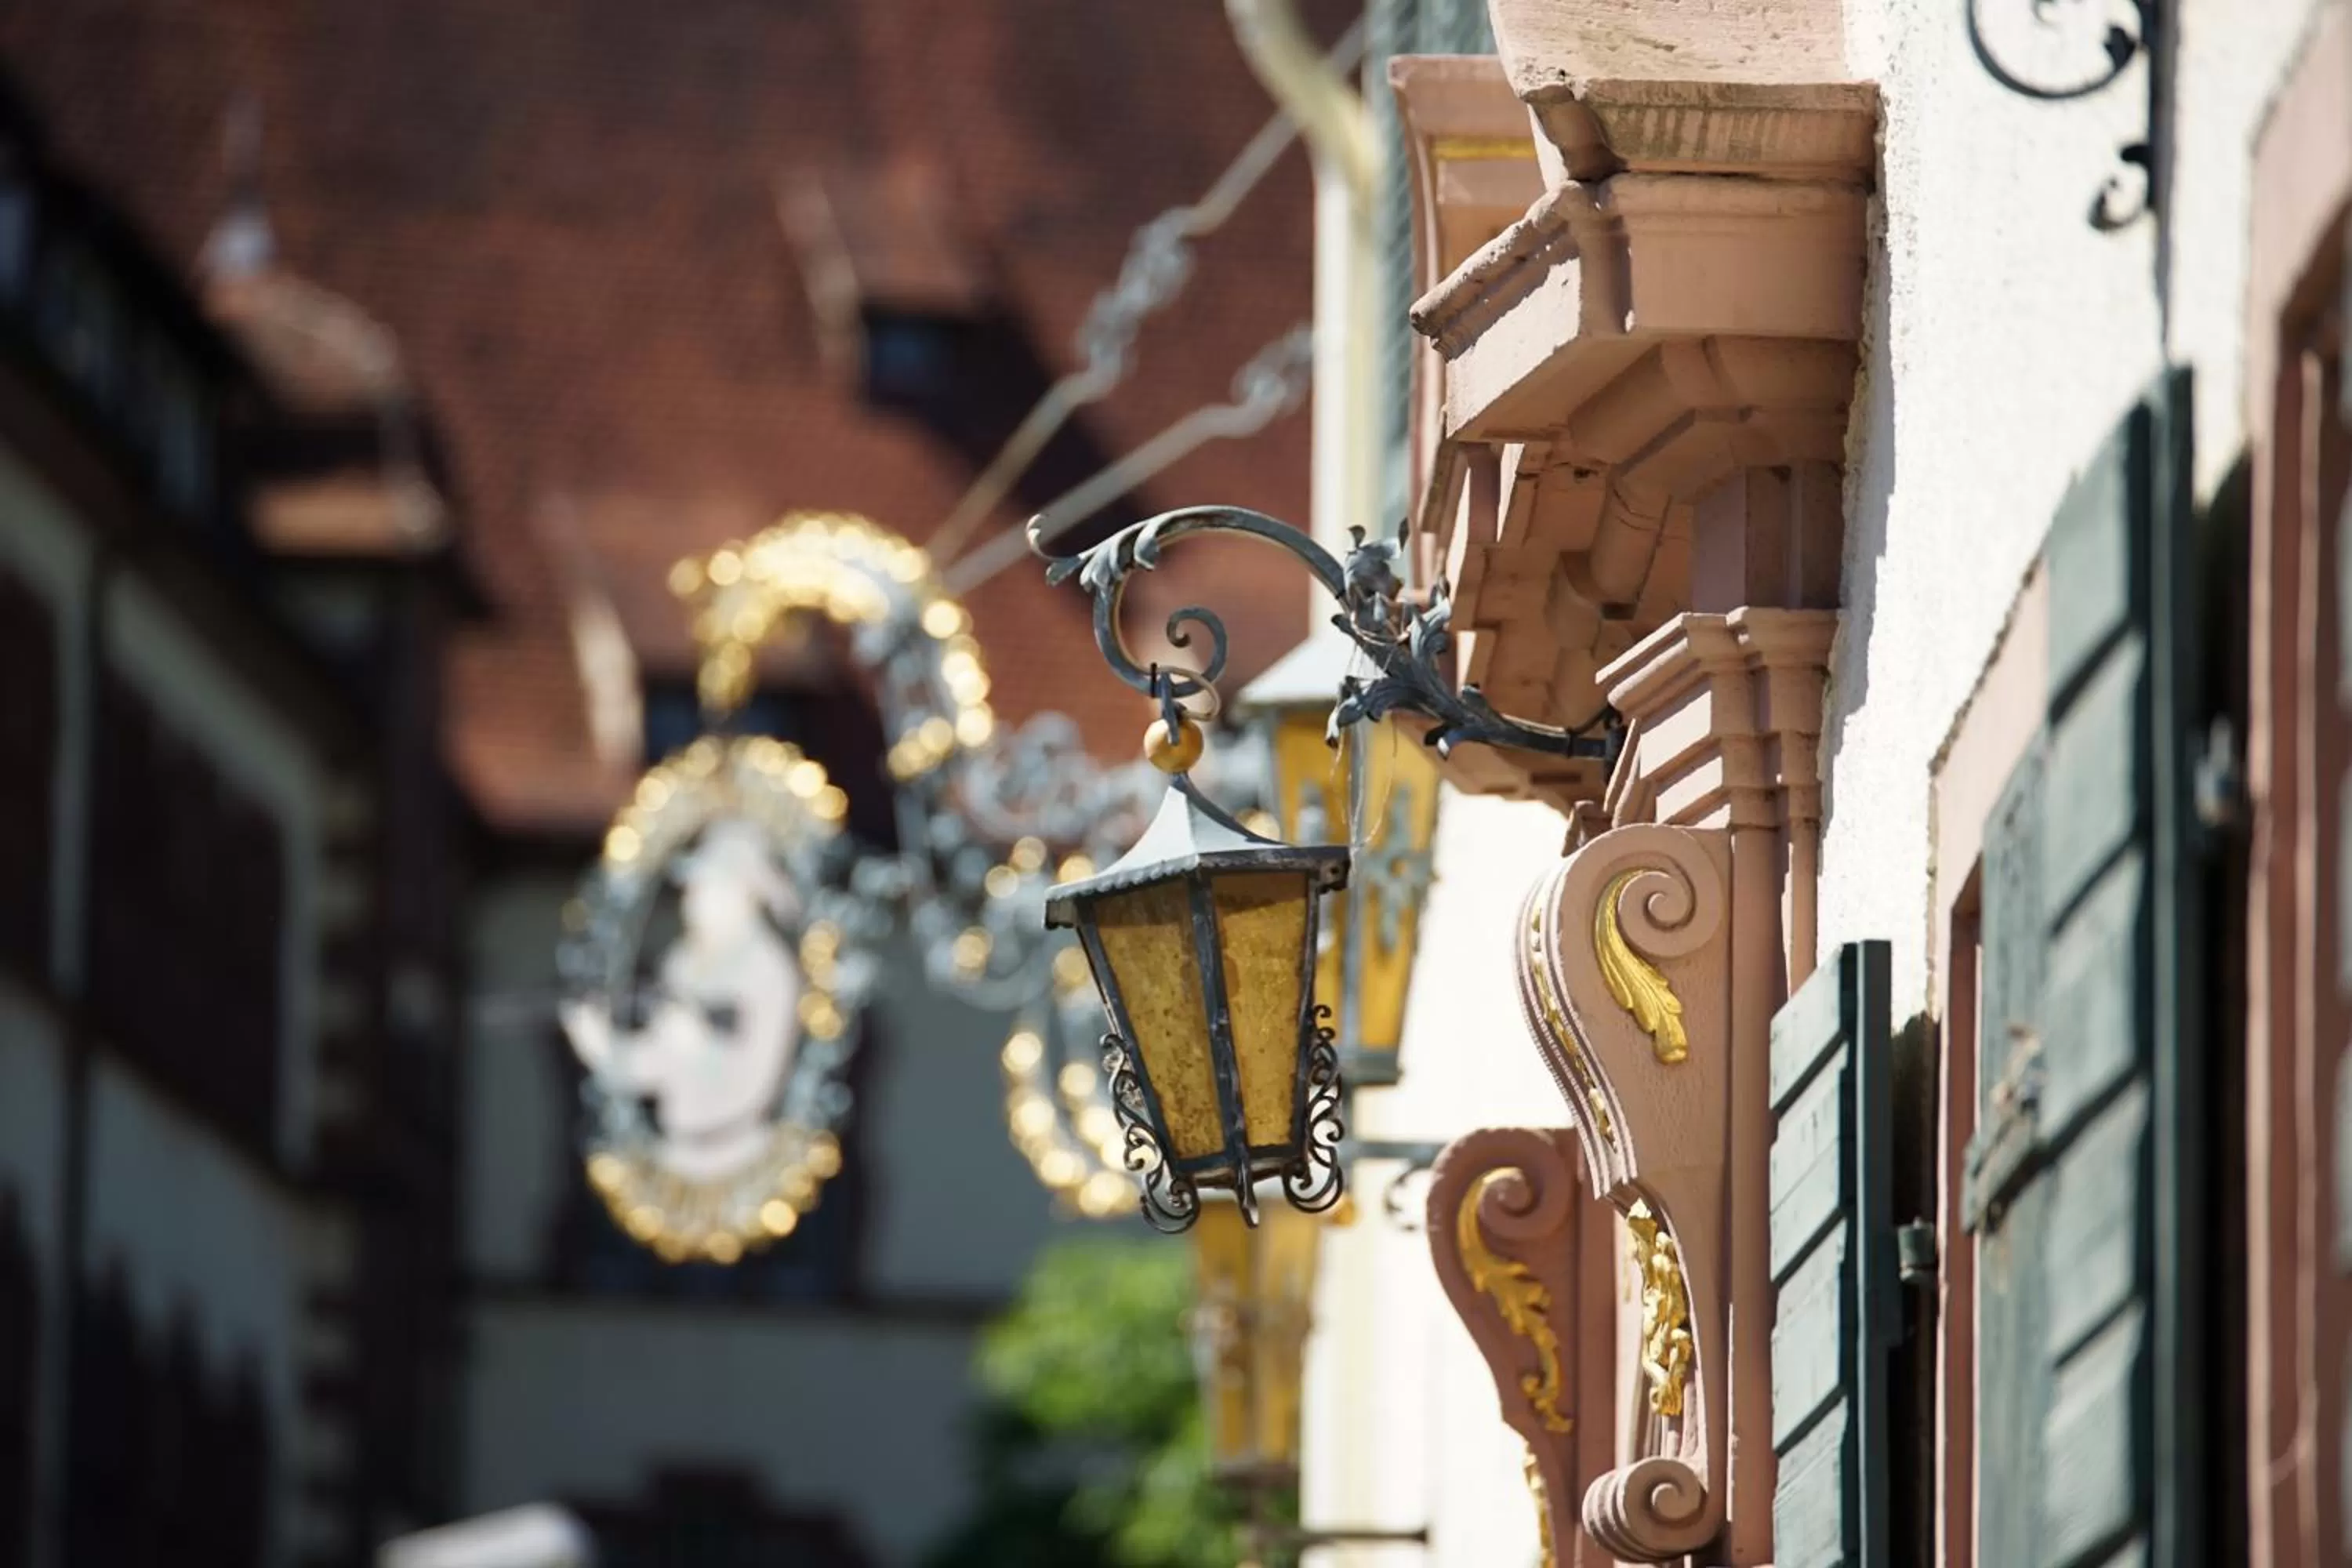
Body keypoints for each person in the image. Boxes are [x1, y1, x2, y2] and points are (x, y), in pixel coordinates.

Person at [561, 818, 804, 1182]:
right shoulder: (684, 963)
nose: (694, 898)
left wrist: (701, 1046)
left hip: (739, 1159)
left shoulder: (769, 971)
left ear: (745, 892)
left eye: (709, 886)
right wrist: (601, 1047)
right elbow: (655, 1063)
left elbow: (756, 1079)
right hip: (678, 1157)